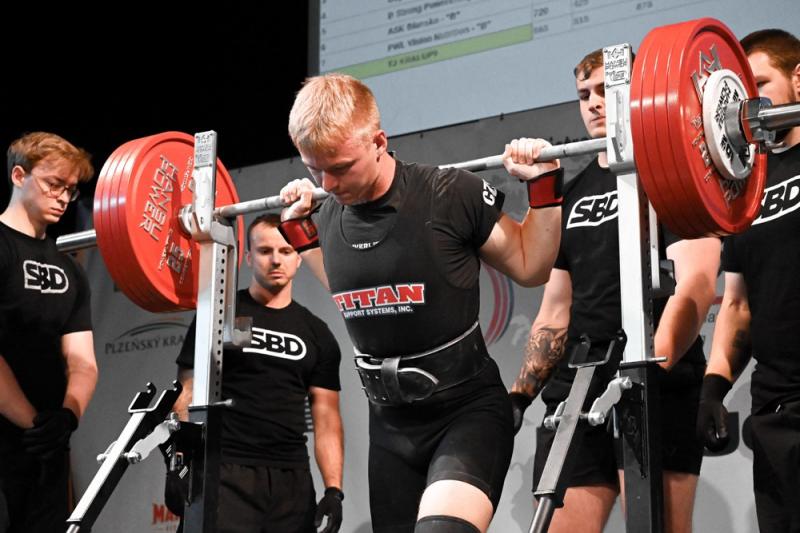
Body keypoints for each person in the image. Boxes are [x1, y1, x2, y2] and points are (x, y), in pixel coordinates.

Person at [278, 72, 561, 533]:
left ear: (378, 142)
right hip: (389, 431)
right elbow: (344, 287)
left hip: (466, 415)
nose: (328, 183)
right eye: (315, 169)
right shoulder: (327, 216)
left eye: (341, 167)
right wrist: (298, 228)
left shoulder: (448, 194)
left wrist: (544, 185)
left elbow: (532, 267)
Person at [506, 49, 720, 533]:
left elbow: (697, 282)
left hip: (654, 378)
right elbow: (556, 309)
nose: (595, 103)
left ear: (637, 92)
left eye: (607, 89)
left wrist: (647, 372)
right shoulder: (575, 192)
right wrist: (519, 396)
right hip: (580, 381)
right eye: (585, 94)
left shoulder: (670, 178)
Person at [173, 213, 345, 533]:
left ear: (298, 258)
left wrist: (334, 489)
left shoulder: (318, 333)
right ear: (249, 257)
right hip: (225, 470)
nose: (276, 260)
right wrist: (183, 460)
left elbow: (327, 418)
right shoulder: (219, 316)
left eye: (286, 251)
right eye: (265, 251)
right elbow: (187, 390)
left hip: (291, 479)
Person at [697, 28, 800, 532]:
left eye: (761, 84)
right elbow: (736, 304)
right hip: (776, 413)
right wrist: (713, 388)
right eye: (742, 92)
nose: (751, 103)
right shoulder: (747, 190)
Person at [0, 132, 97, 533]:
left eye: (70, 190)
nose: (62, 197)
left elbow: (82, 360)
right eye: (53, 184)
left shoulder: (69, 268)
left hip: (47, 448)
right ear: (18, 175)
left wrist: (67, 416)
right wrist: (34, 421)